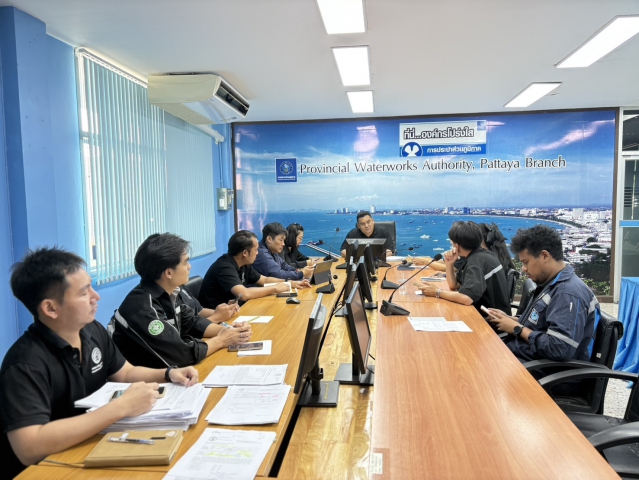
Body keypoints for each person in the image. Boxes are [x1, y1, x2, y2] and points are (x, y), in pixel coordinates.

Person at [0, 248, 199, 478]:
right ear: (50, 308)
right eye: (84, 293)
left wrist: (169, 373)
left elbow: (125, 373)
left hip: (93, 445)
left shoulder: (91, 330)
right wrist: (121, 407)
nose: (96, 297)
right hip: (51, 467)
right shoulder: (24, 364)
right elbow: (29, 447)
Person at [111, 233, 252, 369]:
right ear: (169, 273)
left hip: (166, 369)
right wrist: (221, 340)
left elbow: (192, 323)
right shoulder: (143, 308)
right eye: (185, 262)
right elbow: (180, 354)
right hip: (142, 379)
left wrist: (231, 331)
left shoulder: (171, 291)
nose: (190, 266)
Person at [486, 225, 598, 363]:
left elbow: (559, 348)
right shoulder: (552, 283)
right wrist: (510, 319)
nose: (524, 269)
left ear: (545, 256)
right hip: (521, 356)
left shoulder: (567, 293)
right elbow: (540, 324)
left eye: (526, 262)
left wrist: (517, 329)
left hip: (537, 369)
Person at [416, 221, 510, 317]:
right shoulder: (480, 255)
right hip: (489, 314)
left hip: (490, 320)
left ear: (456, 246)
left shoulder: (476, 263)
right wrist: (449, 264)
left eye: (451, 242)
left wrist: (437, 292)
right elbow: (454, 285)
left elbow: (467, 298)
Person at [199, 230, 311, 308]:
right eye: (256, 250)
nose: (258, 253)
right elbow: (244, 294)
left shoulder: (244, 263)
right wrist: (275, 288)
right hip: (216, 319)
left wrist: (289, 283)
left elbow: (264, 280)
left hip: (235, 311)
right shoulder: (224, 267)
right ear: (245, 253)